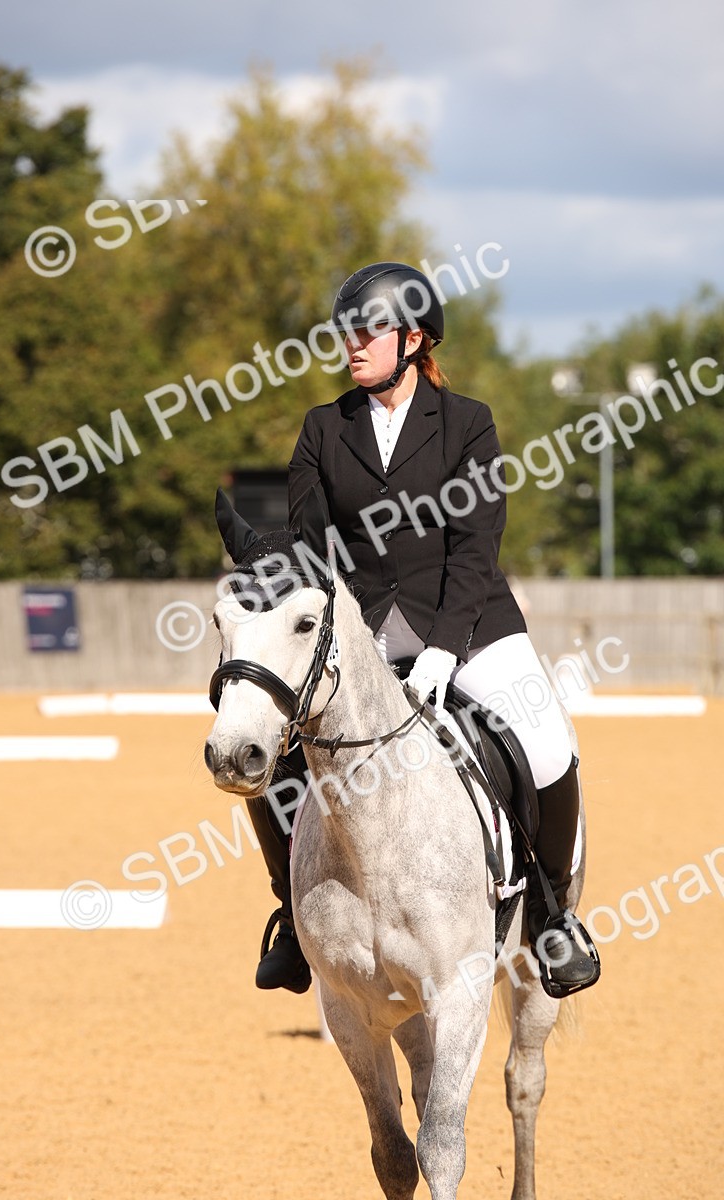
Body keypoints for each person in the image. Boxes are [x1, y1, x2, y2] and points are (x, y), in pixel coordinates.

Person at [246, 261, 598, 996]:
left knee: (544, 742)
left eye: (368, 329)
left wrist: (441, 649)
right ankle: (291, 915)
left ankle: (551, 913)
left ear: (413, 339)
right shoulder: (323, 427)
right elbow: (312, 551)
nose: (353, 342)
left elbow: (475, 547)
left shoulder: (468, 423)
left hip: (469, 624)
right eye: (347, 330)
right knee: (274, 763)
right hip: (366, 634)